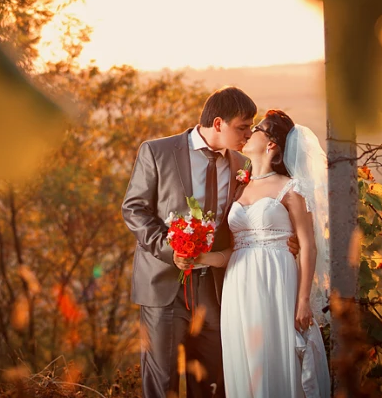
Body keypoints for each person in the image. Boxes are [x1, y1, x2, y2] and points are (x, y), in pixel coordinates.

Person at [121, 88, 299, 398]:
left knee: (212, 382)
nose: (248, 134)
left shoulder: (242, 166)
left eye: (251, 127)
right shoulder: (157, 151)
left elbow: (252, 218)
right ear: (218, 123)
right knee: (161, 382)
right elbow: (133, 209)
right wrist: (169, 249)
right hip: (163, 285)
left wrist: (286, 240)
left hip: (217, 289)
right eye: (242, 127)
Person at [193, 109, 331, 398]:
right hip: (238, 285)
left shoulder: (292, 189)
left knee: (274, 355)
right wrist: (200, 258)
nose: (248, 133)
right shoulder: (239, 187)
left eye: (255, 129)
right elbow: (233, 250)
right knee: (245, 360)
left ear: (271, 144)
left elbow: (308, 245)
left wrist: (303, 300)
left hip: (276, 281)